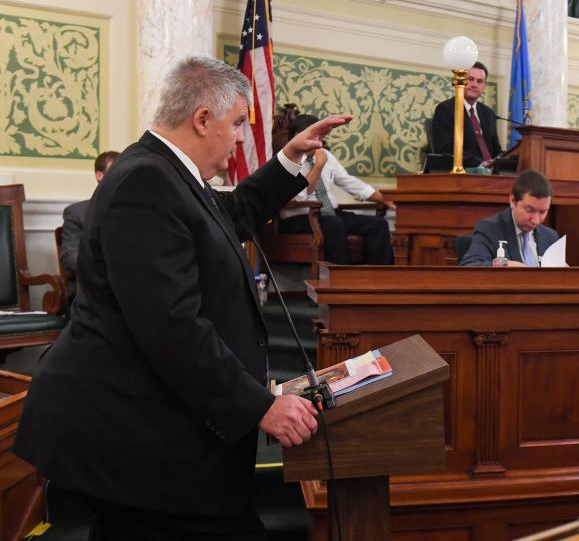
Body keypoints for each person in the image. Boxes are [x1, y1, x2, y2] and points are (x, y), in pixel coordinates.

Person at [14, 56, 352, 540]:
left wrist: (289, 160)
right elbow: (172, 328)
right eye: (237, 124)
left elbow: (232, 214)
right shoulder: (146, 182)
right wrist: (261, 406)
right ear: (201, 119)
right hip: (137, 440)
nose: (240, 138)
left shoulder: (166, 172)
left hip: (152, 436)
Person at [277, 113, 395, 265]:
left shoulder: (325, 155)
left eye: (317, 136)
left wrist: (381, 197)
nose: (314, 141)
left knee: (378, 225)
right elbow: (300, 196)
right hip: (299, 218)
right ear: (294, 138)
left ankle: (377, 280)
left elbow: (347, 181)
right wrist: (318, 166)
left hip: (329, 214)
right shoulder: (288, 159)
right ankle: (341, 280)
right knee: (334, 224)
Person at [461, 169, 560, 267]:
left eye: (542, 212)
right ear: (513, 201)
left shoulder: (551, 237)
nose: (536, 220)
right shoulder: (489, 229)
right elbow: (469, 266)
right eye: (529, 210)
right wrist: (505, 264)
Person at [60, 149, 119, 302]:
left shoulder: (135, 212)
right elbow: (69, 257)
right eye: (116, 171)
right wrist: (106, 266)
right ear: (99, 176)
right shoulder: (77, 213)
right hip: (90, 291)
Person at [431, 61, 503, 169]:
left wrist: (501, 162)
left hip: (493, 174)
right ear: (460, 81)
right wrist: (479, 164)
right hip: (465, 172)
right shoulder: (446, 109)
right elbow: (446, 149)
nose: (474, 85)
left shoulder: (488, 113)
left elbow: (496, 150)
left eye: (479, 81)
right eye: (470, 79)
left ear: (483, 87)